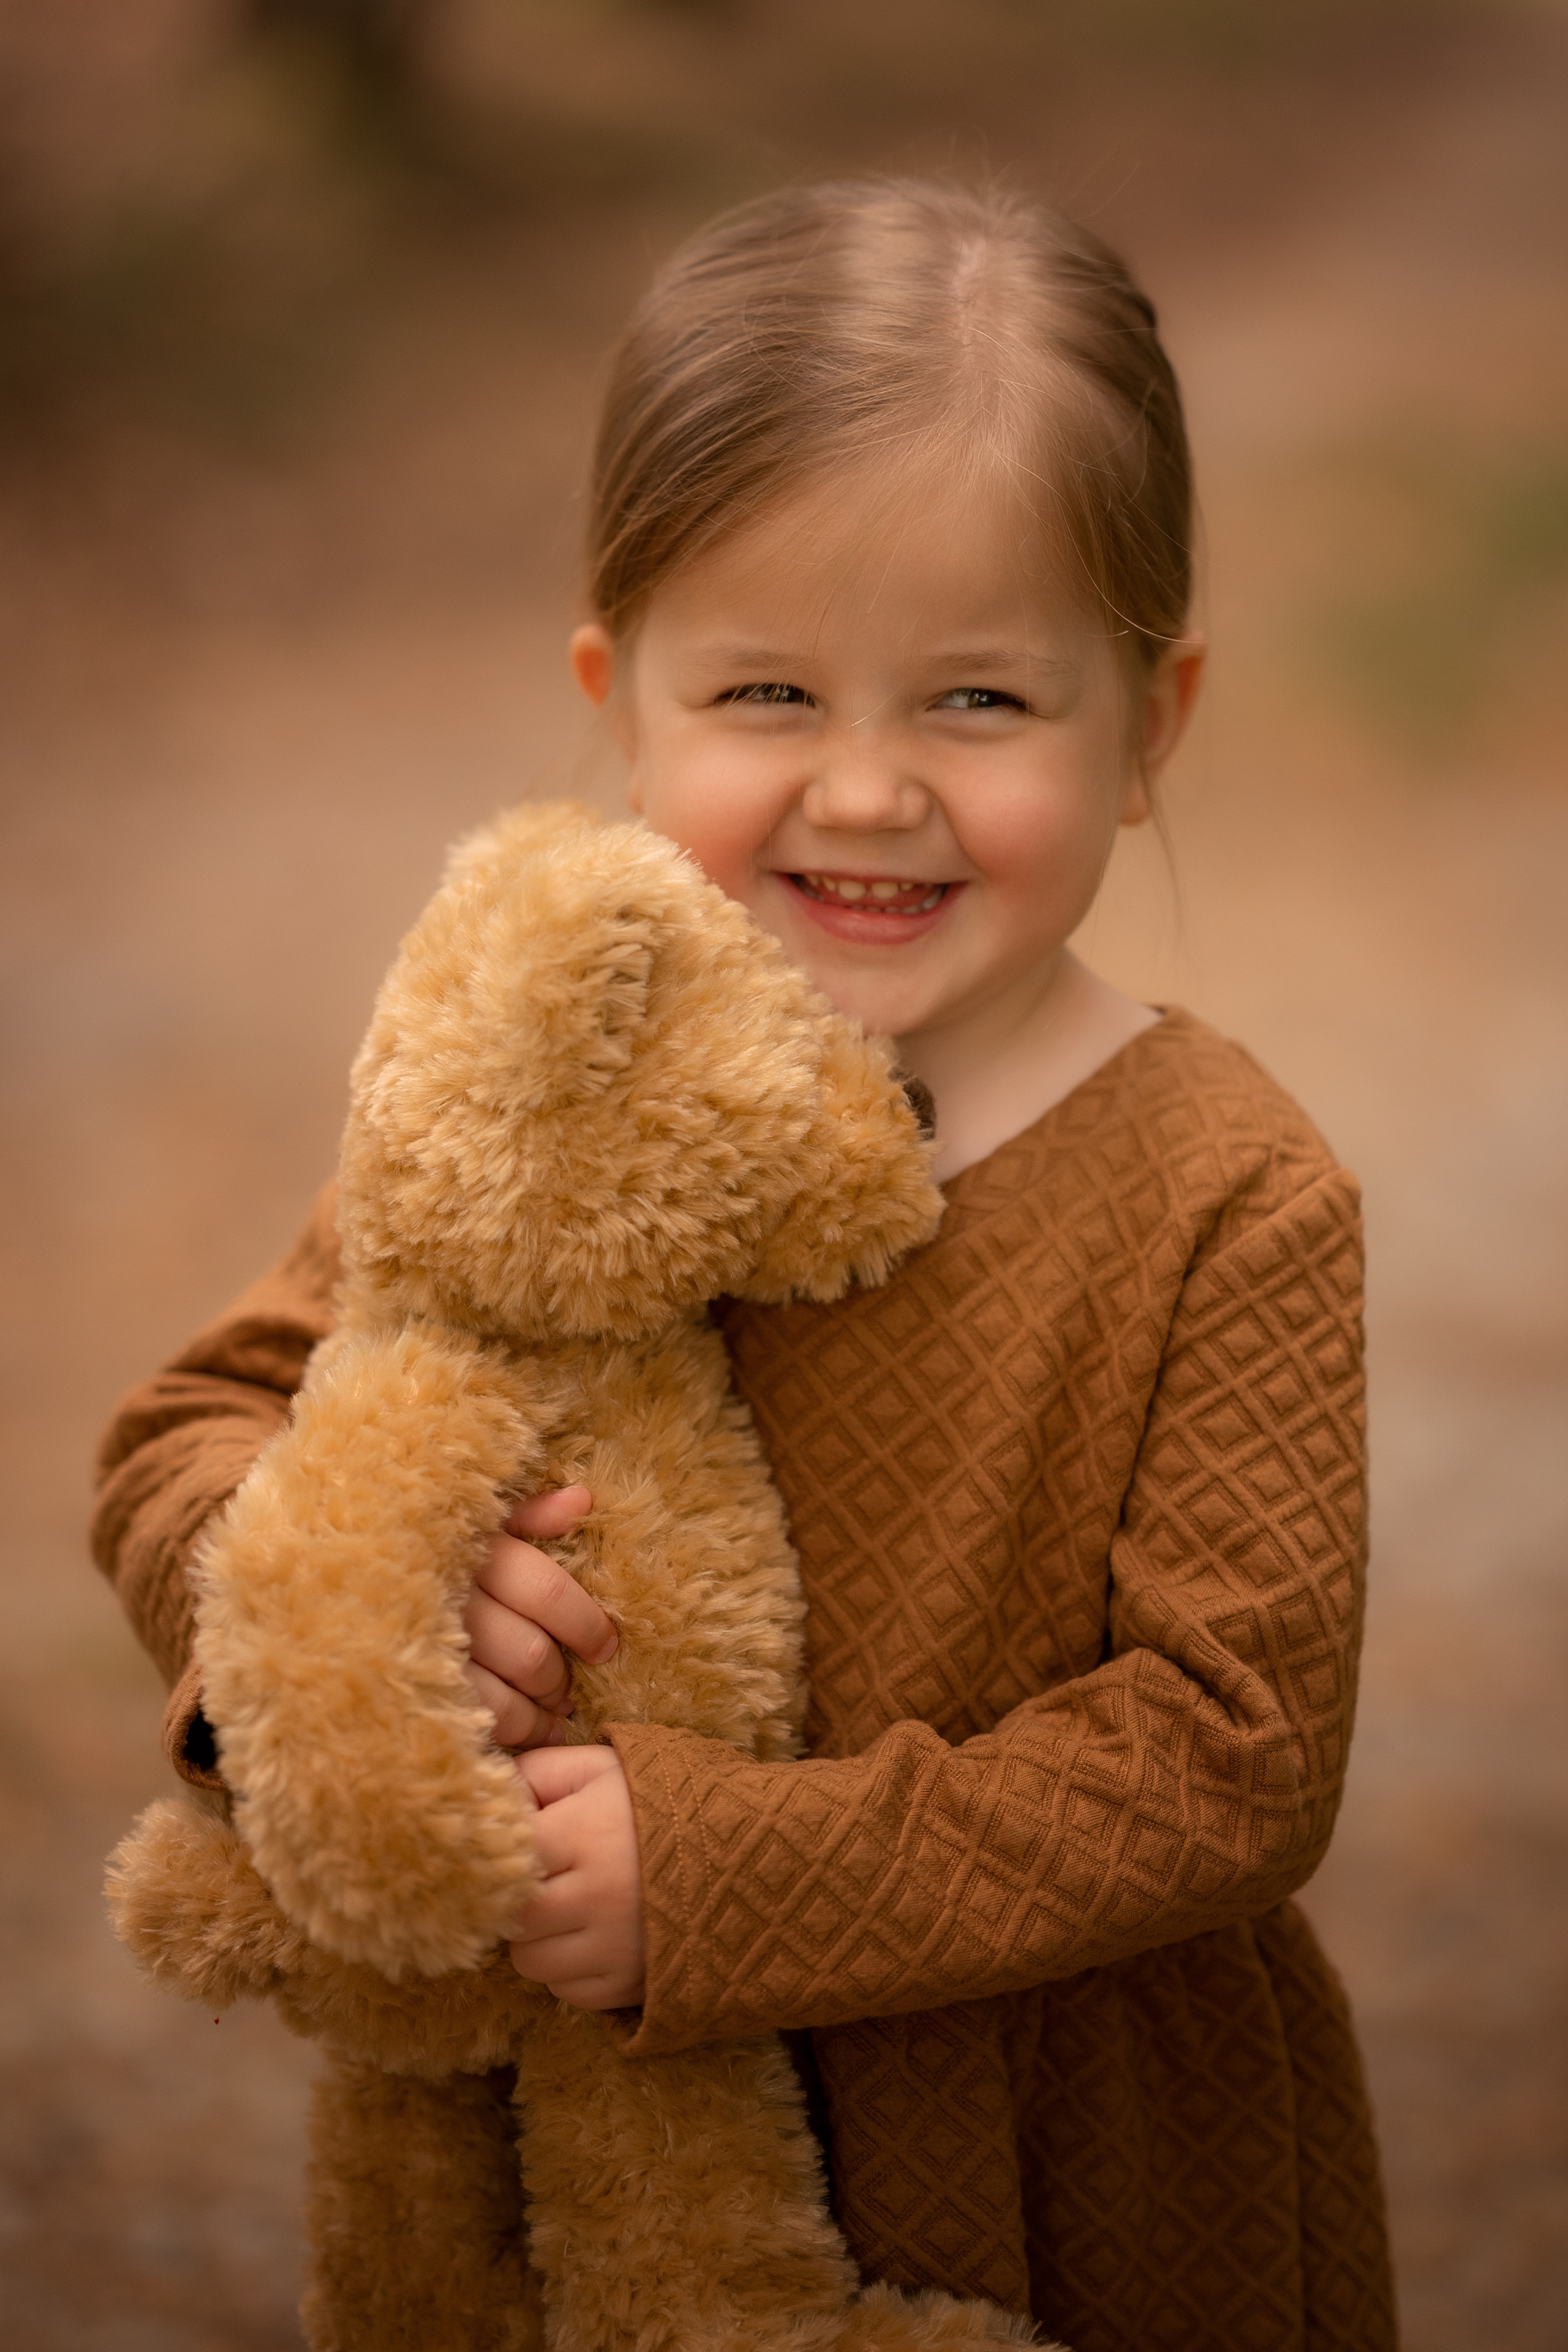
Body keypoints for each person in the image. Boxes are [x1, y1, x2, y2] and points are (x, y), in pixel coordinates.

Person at [93, 179, 1396, 2350]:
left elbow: (1232, 1748)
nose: (868, 789)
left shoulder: (1222, 1187)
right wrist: (335, 1620)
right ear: (624, 692)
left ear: (1150, 720)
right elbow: (189, 1432)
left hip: (1055, 2163)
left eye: (982, 699)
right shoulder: (546, 1070)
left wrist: (733, 1878)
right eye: (769, 688)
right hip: (553, 2183)